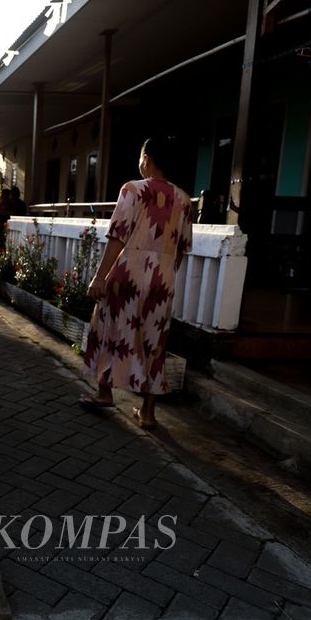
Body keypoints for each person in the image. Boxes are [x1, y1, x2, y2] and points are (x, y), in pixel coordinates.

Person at [78, 136, 193, 429]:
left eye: (141, 157)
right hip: (163, 279)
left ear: (147, 159)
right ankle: (148, 412)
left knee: (110, 328)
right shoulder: (183, 199)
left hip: (129, 273)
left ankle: (105, 393)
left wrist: (99, 276)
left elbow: (118, 235)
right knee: (154, 342)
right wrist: (164, 275)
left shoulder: (133, 190)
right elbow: (183, 247)